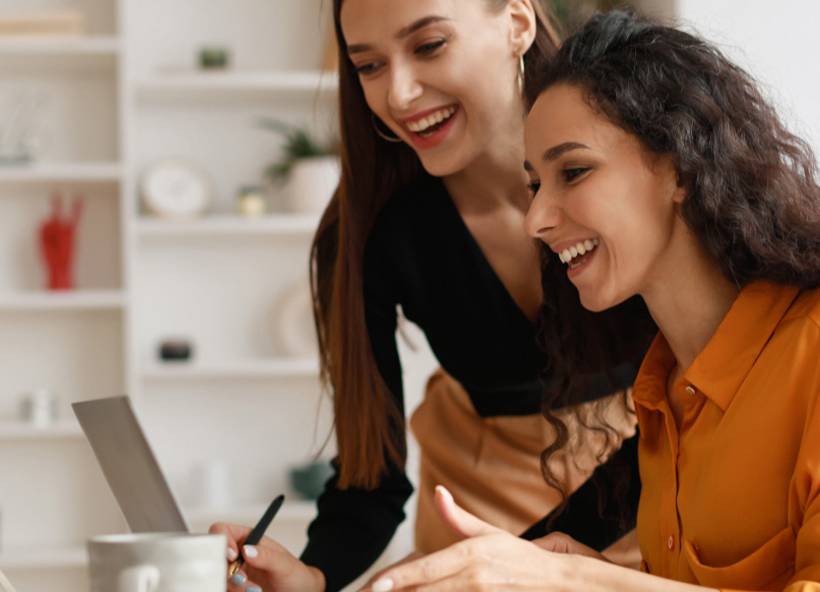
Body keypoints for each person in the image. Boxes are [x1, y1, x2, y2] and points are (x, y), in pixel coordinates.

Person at [362, 11, 820, 592]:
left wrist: (587, 584)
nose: (537, 218)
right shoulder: (667, 399)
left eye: (572, 172)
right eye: (533, 184)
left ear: (681, 168)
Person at [210, 2, 649, 591]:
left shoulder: (644, 151)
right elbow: (372, 478)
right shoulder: (370, 237)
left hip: (662, 487)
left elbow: (716, 397)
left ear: (517, 23)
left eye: (429, 45)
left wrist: (532, 559)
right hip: (479, 509)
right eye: (368, 66)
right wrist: (313, 577)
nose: (399, 93)